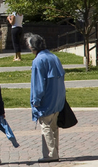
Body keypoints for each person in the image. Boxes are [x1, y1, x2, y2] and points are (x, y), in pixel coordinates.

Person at [27, 33, 66, 163]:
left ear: (33, 47)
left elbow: (38, 85)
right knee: (53, 127)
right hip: (58, 100)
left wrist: (35, 101)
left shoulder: (38, 60)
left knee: (46, 126)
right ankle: (54, 152)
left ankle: (50, 154)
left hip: (47, 101)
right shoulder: (54, 57)